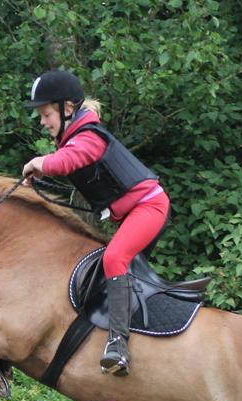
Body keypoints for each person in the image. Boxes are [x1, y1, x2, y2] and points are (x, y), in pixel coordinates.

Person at [20, 69, 169, 376]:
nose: (43, 121)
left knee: (115, 258)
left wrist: (38, 163)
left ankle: (118, 346)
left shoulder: (89, 137)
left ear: (67, 109)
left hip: (149, 206)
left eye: (46, 114)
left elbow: (65, 163)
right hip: (133, 212)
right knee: (106, 267)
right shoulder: (75, 137)